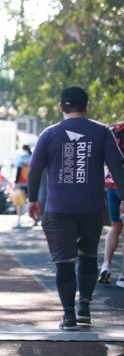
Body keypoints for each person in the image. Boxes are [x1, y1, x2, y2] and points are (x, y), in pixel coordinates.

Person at [28, 86, 124, 330]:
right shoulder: (102, 131)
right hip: (92, 207)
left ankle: (69, 315)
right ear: (87, 106)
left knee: (65, 260)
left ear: (61, 107)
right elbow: (117, 166)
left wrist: (32, 199)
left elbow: (35, 169)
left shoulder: (49, 133)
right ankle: (84, 308)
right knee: (89, 255)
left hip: (58, 208)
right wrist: (123, 197)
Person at [99, 119, 124, 288]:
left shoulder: (115, 128)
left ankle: (106, 265)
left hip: (111, 183)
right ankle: (122, 276)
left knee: (115, 226)